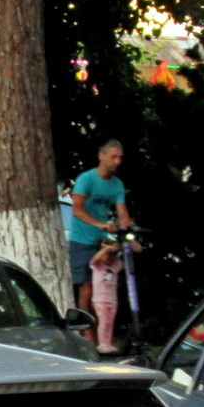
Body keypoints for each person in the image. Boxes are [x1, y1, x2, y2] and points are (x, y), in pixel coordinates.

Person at [68, 140, 134, 322]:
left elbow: (123, 214)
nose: (117, 161)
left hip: (102, 242)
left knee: (105, 284)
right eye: (113, 157)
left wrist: (128, 227)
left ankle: (104, 332)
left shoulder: (117, 184)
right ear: (101, 156)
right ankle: (85, 332)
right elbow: (77, 210)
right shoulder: (86, 179)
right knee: (86, 287)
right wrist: (101, 225)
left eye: (120, 157)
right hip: (81, 239)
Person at [88, 238, 124, 355]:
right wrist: (106, 249)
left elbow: (125, 263)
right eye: (107, 256)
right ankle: (102, 344)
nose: (109, 259)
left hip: (112, 299)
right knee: (103, 321)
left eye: (112, 257)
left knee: (110, 322)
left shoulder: (115, 265)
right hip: (100, 299)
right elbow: (96, 258)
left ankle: (107, 343)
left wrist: (117, 247)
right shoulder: (98, 265)